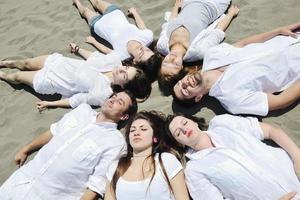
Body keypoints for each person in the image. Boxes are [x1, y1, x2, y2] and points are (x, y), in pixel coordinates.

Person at [0, 91, 138, 199]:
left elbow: (96, 186)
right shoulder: (82, 110)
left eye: (120, 102)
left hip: (50, 195)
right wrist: (26, 149)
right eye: (114, 96)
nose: (113, 99)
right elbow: (53, 132)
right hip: (23, 179)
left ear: (124, 117)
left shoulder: (114, 143)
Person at [173, 22, 300, 116]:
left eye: (180, 82)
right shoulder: (232, 100)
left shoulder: (212, 55)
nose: (184, 83)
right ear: (198, 98)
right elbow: (281, 101)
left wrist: (278, 30)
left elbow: (243, 44)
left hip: (290, 36)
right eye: (185, 90)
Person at [165, 113, 300, 199]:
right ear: (180, 144)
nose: (184, 129)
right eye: (178, 133)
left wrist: (297, 157)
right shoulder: (194, 171)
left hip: (294, 173)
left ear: (193, 121)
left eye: (185, 122)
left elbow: (271, 131)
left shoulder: (222, 123)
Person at [0, 50, 151, 110]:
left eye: (124, 75)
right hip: (57, 62)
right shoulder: (114, 61)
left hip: (50, 80)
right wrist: (78, 49)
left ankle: (4, 76)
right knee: (26, 63)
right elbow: (92, 57)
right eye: (126, 68)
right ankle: (7, 63)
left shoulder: (102, 93)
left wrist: (50, 103)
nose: (121, 69)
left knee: (17, 77)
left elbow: (75, 100)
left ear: (124, 86)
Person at [104, 111, 189, 200]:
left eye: (143, 129)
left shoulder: (166, 160)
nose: (136, 133)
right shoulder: (115, 167)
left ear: (155, 138)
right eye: (132, 130)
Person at [72, 0, 161, 82]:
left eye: (141, 53)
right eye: (147, 50)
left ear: (135, 61)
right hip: (114, 13)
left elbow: (106, 50)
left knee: (85, 11)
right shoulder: (148, 38)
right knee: (97, 2)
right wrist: (135, 13)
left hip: (99, 25)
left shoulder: (121, 56)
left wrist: (94, 42)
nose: (143, 48)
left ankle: (76, 2)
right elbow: (142, 26)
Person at [157, 0, 238, 82]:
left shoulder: (162, 45)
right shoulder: (199, 51)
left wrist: (176, 5)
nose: (172, 58)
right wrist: (231, 14)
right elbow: (218, 31)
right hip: (212, 4)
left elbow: (169, 22)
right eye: (175, 64)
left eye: (166, 63)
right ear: (181, 67)